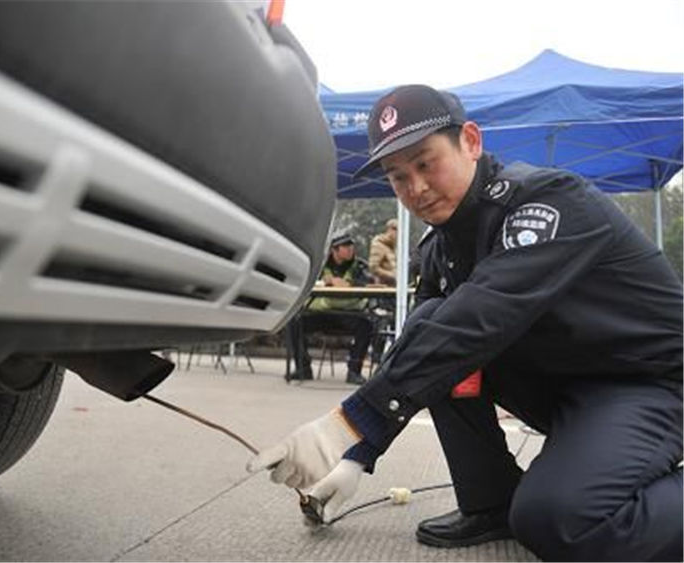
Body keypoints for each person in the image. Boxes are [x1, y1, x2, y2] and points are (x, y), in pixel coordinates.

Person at [249, 85, 683, 561]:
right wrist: (359, 453)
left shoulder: (549, 202)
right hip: (567, 391)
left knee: (561, 520)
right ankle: (490, 501)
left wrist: (348, 424)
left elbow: (483, 314)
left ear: (471, 142)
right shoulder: (439, 248)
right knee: (431, 330)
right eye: (397, 176)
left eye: (425, 163)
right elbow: (426, 342)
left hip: (648, 384)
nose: (415, 187)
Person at [286, 229, 373, 385]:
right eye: (345, 246)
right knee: (293, 322)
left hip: (349, 314)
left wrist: (347, 283)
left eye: (351, 246)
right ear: (334, 250)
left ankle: (354, 371)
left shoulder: (359, 266)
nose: (350, 249)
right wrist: (328, 281)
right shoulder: (320, 266)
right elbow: (305, 282)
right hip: (322, 313)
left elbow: (370, 283)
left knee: (366, 325)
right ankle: (303, 368)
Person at [369, 218, 398, 286]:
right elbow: (373, 267)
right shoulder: (378, 244)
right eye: (394, 229)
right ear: (388, 229)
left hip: (394, 287)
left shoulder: (394, 247)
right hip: (382, 287)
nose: (396, 233)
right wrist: (393, 275)